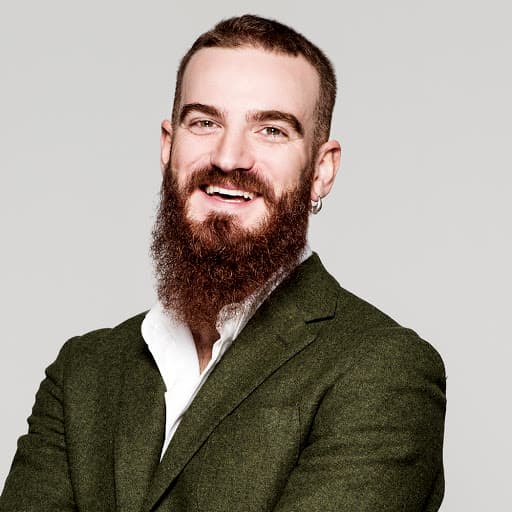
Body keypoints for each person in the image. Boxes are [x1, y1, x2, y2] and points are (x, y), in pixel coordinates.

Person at [0, 14, 446, 512]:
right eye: (205, 123)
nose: (229, 157)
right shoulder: (83, 371)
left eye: (271, 130)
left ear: (322, 170)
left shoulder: (382, 369)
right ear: (168, 146)